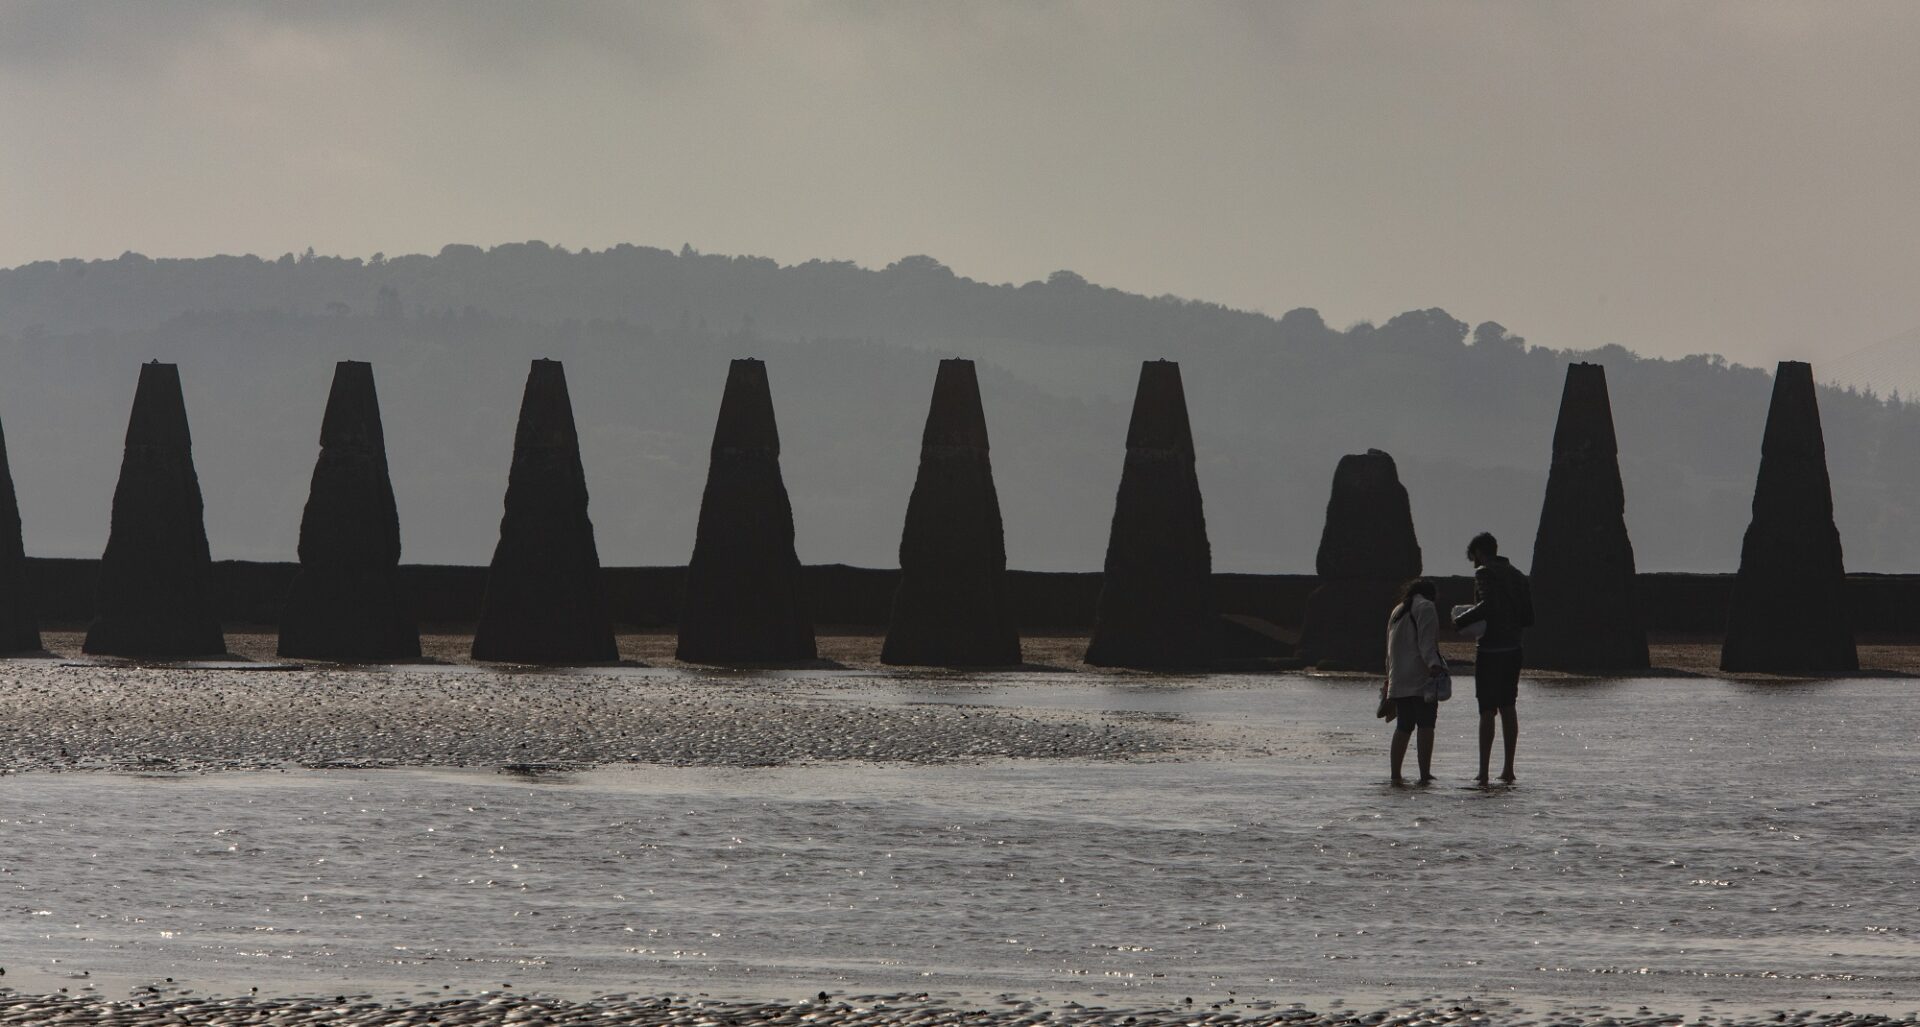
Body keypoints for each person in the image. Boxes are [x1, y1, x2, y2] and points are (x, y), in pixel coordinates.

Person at [1451, 531, 1533, 784]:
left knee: (1487, 710)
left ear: (1478, 552)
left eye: (1473, 557)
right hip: (1514, 648)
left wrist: (1460, 620)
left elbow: (1487, 605)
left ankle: (1484, 772)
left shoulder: (1484, 573)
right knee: (1508, 706)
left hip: (1490, 650)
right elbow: (1528, 616)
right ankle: (1508, 769)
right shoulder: (1519, 576)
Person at [1382, 578, 1445, 785]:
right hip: (1419, 675)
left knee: (1403, 726)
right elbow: (1427, 642)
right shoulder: (1426, 607)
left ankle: (1395, 774)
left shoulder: (1397, 610)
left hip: (1398, 677)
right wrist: (1434, 666)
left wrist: (1389, 679)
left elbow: (1389, 650)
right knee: (1426, 724)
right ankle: (1424, 774)